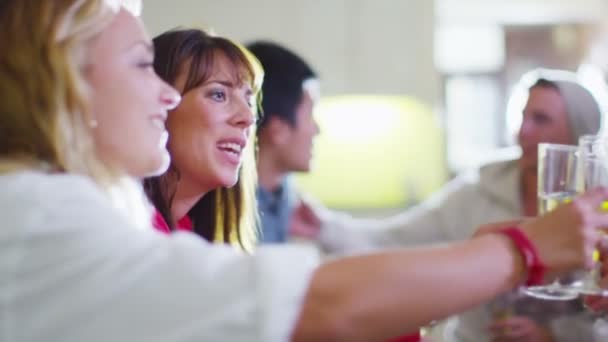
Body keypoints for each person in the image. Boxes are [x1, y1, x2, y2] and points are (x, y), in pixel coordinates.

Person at [1, 1, 608, 341]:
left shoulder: (122, 220)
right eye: (141, 68)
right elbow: (316, 305)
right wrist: (522, 249)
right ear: (62, 85)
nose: (161, 95)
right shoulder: (41, 214)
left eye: (251, 102)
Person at [286, 69, 604, 341]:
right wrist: (324, 227)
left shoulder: (601, 202)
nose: (524, 131)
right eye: (522, 116)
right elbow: (397, 241)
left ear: (578, 132)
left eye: (541, 119)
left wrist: (554, 336)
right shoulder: (479, 189)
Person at [143, 28, 261, 251]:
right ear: (161, 106)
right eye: (218, 94)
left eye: (249, 101)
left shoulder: (186, 235)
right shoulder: (130, 231)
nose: (247, 118)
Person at [246, 41, 320, 244]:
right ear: (278, 129)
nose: (317, 129)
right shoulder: (228, 211)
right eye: (310, 114)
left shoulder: (286, 197)